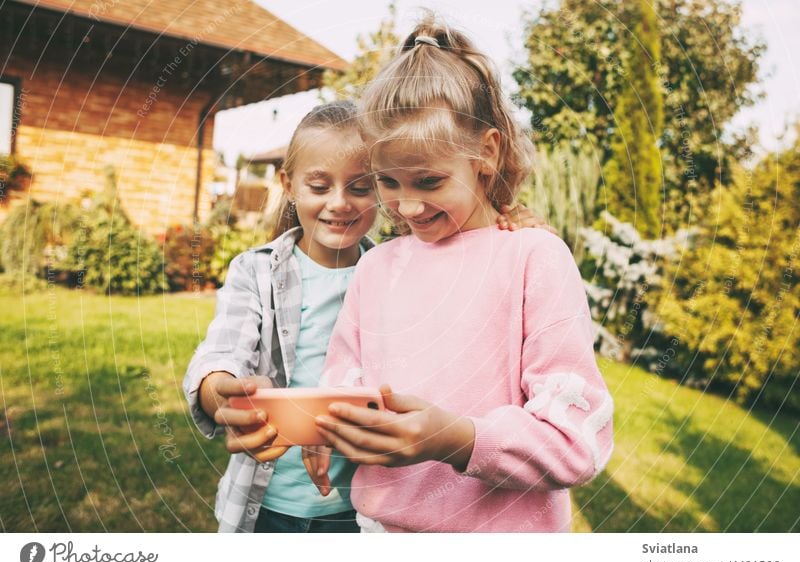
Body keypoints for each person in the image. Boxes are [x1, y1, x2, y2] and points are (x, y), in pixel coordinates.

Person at [182, 101, 553, 533]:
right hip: (265, 504)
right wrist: (221, 394)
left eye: (360, 187)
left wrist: (508, 219)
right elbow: (219, 356)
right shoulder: (257, 271)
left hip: (361, 512)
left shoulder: (398, 272)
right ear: (289, 184)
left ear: (380, 188)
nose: (339, 204)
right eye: (319, 186)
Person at [310, 18, 614, 533]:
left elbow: (576, 440)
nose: (406, 205)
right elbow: (343, 379)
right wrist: (324, 423)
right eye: (387, 181)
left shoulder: (532, 257)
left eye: (429, 181)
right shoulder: (376, 268)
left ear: (487, 153)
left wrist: (458, 439)